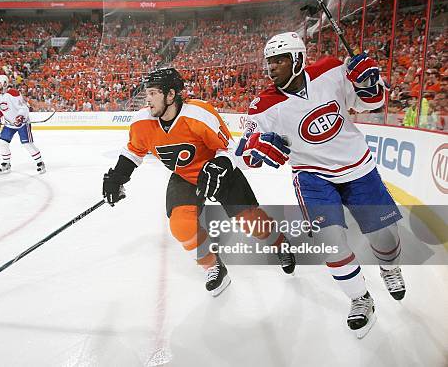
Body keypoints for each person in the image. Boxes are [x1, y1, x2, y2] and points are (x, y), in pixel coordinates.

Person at [236, 32, 405, 338]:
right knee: (331, 242)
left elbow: (375, 102)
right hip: (312, 176)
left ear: (298, 59)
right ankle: (360, 299)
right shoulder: (263, 105)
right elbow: (247, 150)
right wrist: (256, 149)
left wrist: (368, 84)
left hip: (358, 167)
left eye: (280, 60)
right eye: (269, 61)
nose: (272, 67)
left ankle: (390, 267)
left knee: (385, 238)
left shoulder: (330, 70)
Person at [102, 68, 296, 297]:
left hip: (219, 171)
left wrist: (219, 165)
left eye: (153, 93)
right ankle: (213, 266)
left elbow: (231, 149)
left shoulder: (199, 114)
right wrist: (117, 178)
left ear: (170, 95)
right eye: (148, 93)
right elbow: (133, 152)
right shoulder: (142, 122)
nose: (148, 99)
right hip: (184, 176)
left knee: (250, 223)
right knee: (181, 225)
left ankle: (279, 242)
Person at [0, 75, 45, 174]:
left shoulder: (13, 93)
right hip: (9, 124)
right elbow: (0, 109)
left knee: (27, 144)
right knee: (3, 142)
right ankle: (6, 163)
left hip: (22, 123)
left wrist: (20, 117)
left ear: (5, 83)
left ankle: (40, 163)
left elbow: (23, 108)